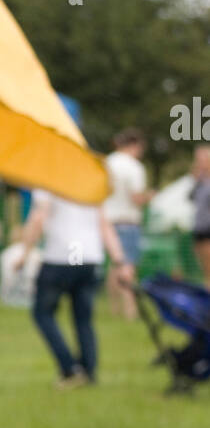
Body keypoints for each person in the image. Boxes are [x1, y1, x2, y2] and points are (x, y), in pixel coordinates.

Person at [17, 189, 133, 387]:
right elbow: (104, 225)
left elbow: (38, 218)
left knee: (42, 313)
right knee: (82, 317)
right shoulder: (88, 183)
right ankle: (88, 371)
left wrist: (24, 254)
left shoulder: (49, 182)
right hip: (90, 256)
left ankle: (70, 368)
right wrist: (119, 260)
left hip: (67, 254)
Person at [103, 129, 154, 319]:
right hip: (127, 221)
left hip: (107, 221)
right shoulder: (134, 167)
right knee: (127, 265)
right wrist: (150, 196)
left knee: (114, 266)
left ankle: (114, 309)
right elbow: (136, 198)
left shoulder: (107, 163)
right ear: (136, 146)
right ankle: (130, 310)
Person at [190, 146, 210, 287]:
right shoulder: (200, 181)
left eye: (202, 159)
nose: (199, 163)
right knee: (205, 268)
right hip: (199, 227)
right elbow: (191, 198)